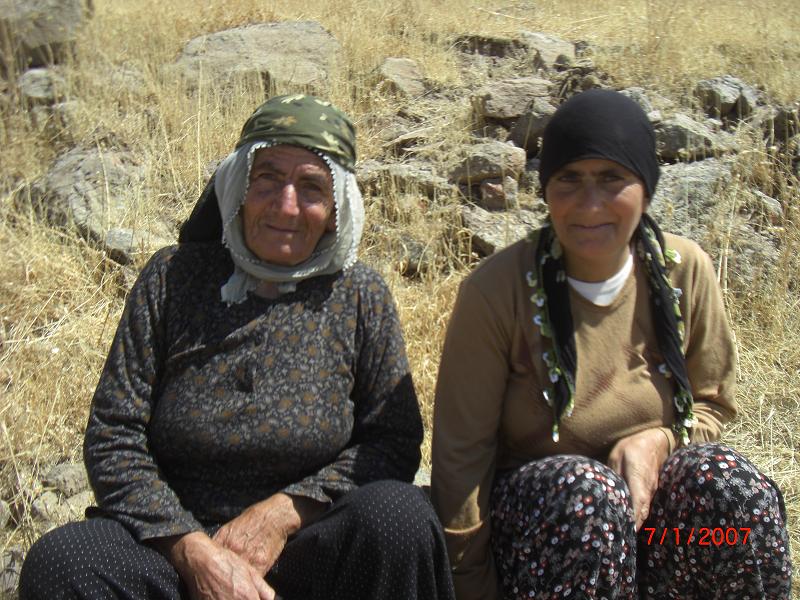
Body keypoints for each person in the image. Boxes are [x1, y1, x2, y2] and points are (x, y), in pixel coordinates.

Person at [20, 94, 456, 600]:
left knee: (399, 518)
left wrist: (283, 514)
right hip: (172, 550)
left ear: (337, 209)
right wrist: (191, 550)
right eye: (267, 178)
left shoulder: (360, 295)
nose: (286, 205)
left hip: (310, 541)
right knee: (64, 561)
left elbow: (392, 442)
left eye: (311, 187)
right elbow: (114, 436)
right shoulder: (171, 278)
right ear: (236, 187)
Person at [431, 89, 792, 599]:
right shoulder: (496, 292)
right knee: (587, 493)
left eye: (611, 178)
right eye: (569, 179)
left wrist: (660, 442)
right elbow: (462, 461)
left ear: (646, 188)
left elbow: (711, 404)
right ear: (546, 190)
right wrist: (469, 582)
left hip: (656, 533)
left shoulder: (682, 271)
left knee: (729, 487)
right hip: (547, 538)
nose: (590, 204)